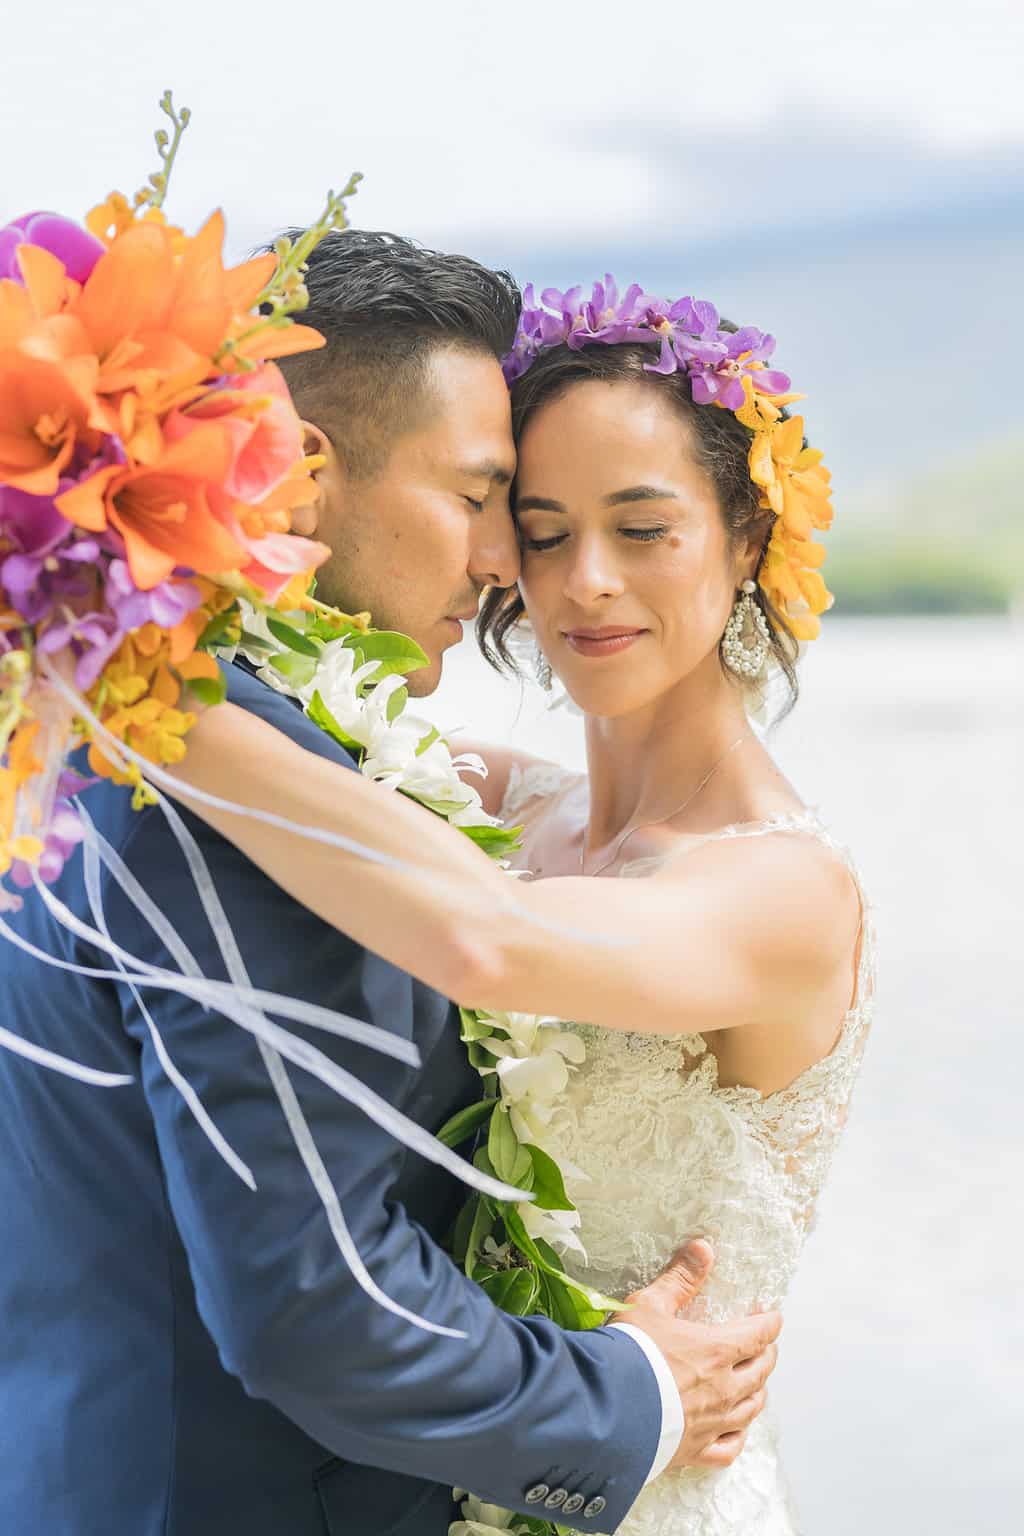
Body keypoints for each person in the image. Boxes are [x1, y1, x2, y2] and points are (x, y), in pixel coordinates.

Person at [0, 236, 780, 1536]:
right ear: (303, 477)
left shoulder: (84, 728)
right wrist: (630, 1397)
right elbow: (315, 1312)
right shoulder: (246, 790)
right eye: (483, 498)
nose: (502, 567)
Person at [166, 277, 875, 1535]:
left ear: (749, 537)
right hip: (449, 1470)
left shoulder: (785, 891)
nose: (584, 581)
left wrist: (124, 662)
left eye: (642, 528)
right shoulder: (478, 795)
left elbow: (492, 942)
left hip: (655, 1485)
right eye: (541, 531)